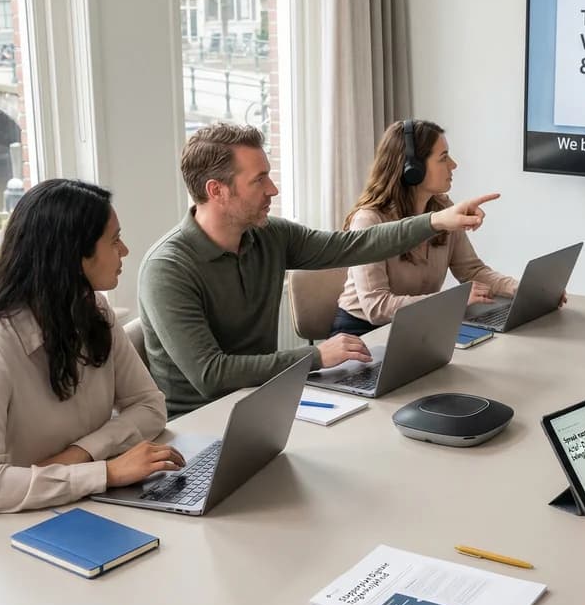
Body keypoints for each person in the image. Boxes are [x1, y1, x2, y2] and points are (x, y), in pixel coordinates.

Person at [139, 122, 499, 417]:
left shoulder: (268, 235)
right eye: (259, 180)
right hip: (200, 425)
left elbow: (352, 246)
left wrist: (437, 220)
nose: (273, 189)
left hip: (263, 404)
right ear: (216, 190)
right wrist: (316, 356)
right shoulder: (168, 269)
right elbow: (210, 375)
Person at [0, 179, 182, 521]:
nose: (125, 250)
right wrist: (107, 473)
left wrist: (80, 454)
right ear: (73, 256)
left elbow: (149, 406)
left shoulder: (94, 310)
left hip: (77, 499)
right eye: (114, 241)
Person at [332, 120, 517, 336]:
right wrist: (451, 301)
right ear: (413, 169)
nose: (453, 165)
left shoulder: (444, 210)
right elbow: (376, 307)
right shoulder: (369, 220)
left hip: (415, 323)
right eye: (443, 158)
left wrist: (518, 289)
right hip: (362, 334)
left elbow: (472, 271)